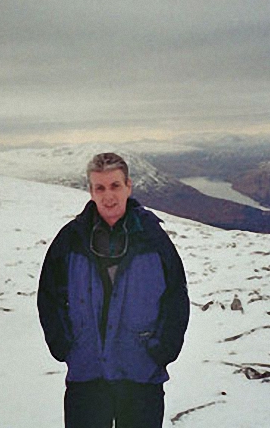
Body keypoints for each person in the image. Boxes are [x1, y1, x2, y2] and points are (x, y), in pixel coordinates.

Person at [38, 152, 189, 428]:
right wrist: (64, 344)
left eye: (115, 186)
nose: (108, 196)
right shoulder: (71, 240)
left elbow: (176, 298)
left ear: (128, 186)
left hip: (141, 374)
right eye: (100, 187)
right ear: (91, 191)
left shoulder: (153, 239)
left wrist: (161, 350)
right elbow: (49, 296)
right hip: (87, 374)